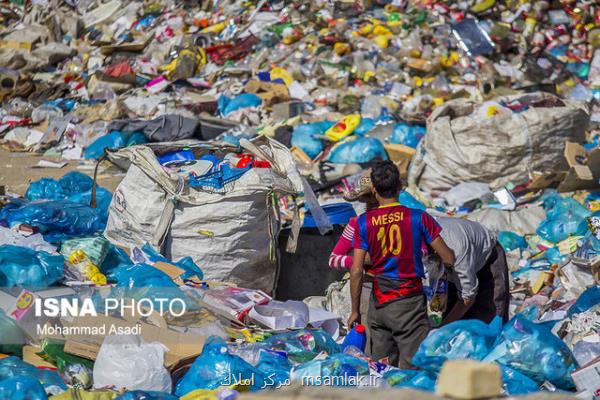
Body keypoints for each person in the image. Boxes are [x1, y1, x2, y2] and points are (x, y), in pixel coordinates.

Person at [347, 160, 455, 368]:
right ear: (400, 187)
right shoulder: (419, 218)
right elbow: (449, 258)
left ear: (374, 189)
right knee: (412, 367)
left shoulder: (364, 222)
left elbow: (356, 270)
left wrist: (355, 310)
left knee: (381, 366)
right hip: (409, 304)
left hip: (378, 303)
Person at [424, 217, 510, 325]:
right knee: (451, 309)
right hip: (453, 260)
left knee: (492, 315)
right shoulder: (419, 244)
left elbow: (468, 297)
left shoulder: (458, 251)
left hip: (487, 257)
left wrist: (445, 326)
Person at [328, 171, 377, 353]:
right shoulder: (356, 224)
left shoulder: (400, 222)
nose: (372, 207)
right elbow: (334, 259)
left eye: (375, 202)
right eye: (369, 203)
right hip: (367, 289)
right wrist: (362, 260)